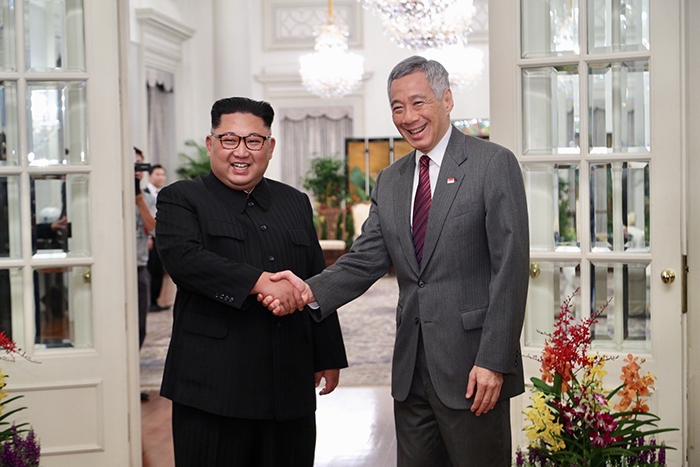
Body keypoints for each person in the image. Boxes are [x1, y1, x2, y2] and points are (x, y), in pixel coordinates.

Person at [262, 56, 530, 466]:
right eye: (397, 107)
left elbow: (509, 270)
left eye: (418, 103)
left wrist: (493, 361)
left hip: (474, 370)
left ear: (447, 99)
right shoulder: (391, 180)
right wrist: (305, 291)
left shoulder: (492, 164)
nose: (408, 117)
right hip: (411, 371)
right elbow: (365, 259)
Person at [155, 97, 348, 466]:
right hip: (213, 387)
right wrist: (261, 283)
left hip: (288, 385)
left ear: (270, 147)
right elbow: (185, 260)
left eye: (254, 141)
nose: (241, 152)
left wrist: (327, 354)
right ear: (211, 144)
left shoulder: (295, 202)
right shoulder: (181, 199)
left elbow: (315, 278)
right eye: (229, 139)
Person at [134, 147, 157, 401]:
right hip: (115, 270)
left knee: (139, 327)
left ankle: (134, 376)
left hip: (140, 266)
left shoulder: (147, 198)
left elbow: (153, 228)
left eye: (139, 167)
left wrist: (138, 199)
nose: (137, 171)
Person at [144, 164, 169, 311]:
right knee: (150, 270)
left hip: (161, 236)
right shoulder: (143, 194)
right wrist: (147, 236)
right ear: (150, 176)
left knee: (159, 269)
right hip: (148, 238)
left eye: (163, 174)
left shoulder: (165, 193)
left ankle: (155, 301)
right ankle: (148, 302)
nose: (161, 177)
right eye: (157, 174)